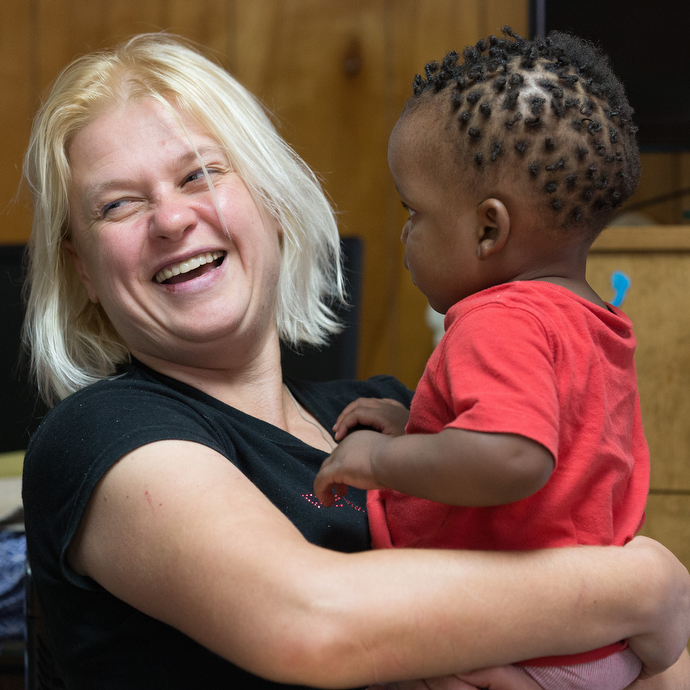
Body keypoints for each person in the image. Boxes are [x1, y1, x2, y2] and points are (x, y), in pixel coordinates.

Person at [19, 33, 690, 690]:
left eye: (200, 173)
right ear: (83, 269)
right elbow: (310, 620)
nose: (170, 220)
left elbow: (661, 664)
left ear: (272, 203)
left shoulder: (393, 413)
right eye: (118, 205)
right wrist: (639, 583)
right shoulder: (98, 435)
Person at [313, 29, 682, 690]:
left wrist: (380, 460)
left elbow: (514, 456)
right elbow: (555, 450)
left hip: (527, 647)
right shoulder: (591, 321)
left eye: (413, 211)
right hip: (591, 636)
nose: (404, 231)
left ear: (489, 228)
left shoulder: (498, 320)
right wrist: (419, 426)